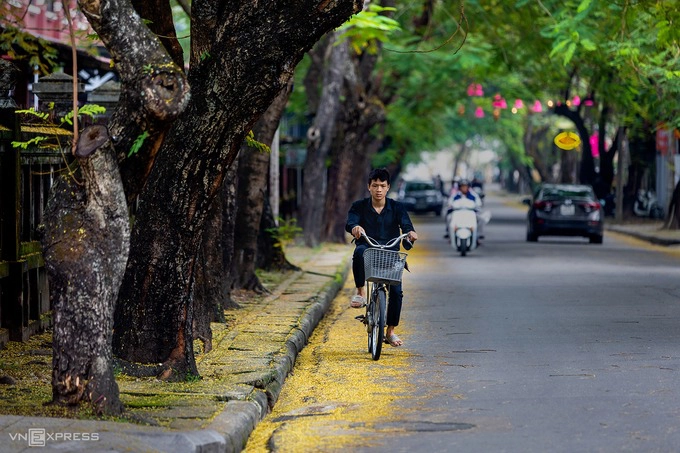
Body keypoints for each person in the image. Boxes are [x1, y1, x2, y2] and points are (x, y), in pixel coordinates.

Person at [345, 168, 418, 347]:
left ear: (388, 188)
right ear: (369, 187)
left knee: (396, 292)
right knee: (358, 252)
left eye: (382, 186)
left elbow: (407, 225)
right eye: (375, 185)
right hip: (368, 249)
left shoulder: (397, 207)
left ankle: (390, 331)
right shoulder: (359, 206)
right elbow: (350, 222)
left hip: (391, 253)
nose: (378, 189)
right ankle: (361, 293)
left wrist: (410, 233)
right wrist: (355, 228)